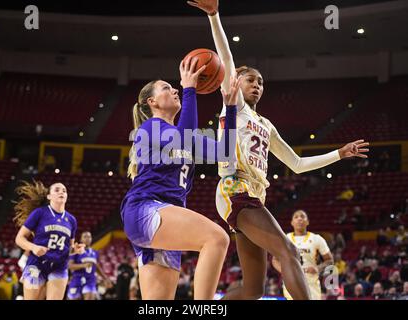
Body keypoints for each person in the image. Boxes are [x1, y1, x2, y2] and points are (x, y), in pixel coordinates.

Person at [188, 0, 370, 300]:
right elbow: (226, 57)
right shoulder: (236, 106)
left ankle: (206, 306)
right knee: (289, 251)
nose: (257, 85)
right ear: (236, 83)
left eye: (261, 82)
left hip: (255, 194)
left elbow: (296, 163)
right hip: (236, 189)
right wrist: (214, 16)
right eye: (250, 80)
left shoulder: (266, 125)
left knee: (253, 290)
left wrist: (338, 154)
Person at [120, 58, 240, 299]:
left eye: (174, 87)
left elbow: (226, 153)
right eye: (166, 88)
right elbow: (186, 135)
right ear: (151, 102)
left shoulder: (185, 136)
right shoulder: (149, 128)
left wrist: (230, 109)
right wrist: (189, 89)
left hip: (166, 217)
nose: (174, 89)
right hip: (146, 208)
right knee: (217, 238)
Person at [13, 180, 85, 300]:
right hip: (37, 264)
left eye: (64, 190)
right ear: (49, 196)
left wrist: (75, 249)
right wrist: (34, 247)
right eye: (57, 190)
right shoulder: (39, 213)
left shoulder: (71, 220)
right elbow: (19, 239)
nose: (61, 192)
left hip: (59, 265)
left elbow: (69, 248)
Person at [272, 210, 334, 300]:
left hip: (311, 283)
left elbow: (329, 260)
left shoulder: (317, 239)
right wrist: (284, 270)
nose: (299, 219)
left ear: (307, 221)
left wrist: (318, 268)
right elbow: (275, 260)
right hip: (292, 281)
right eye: (296, 217)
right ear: (292, 222)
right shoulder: (286, 239)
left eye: (302, 216)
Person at [67, 231, 112, 300]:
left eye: (89, 237)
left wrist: (105, 278)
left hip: (90, 279)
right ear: (81, 239)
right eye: (85, 237)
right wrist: (83, 265)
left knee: (90, 297)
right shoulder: (75, 251)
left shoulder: (95, 252)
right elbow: (70, 266)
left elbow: (96, 267)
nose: (87, 238)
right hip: (77, 279)